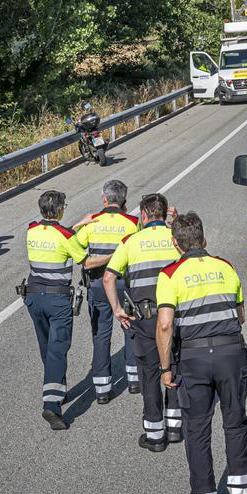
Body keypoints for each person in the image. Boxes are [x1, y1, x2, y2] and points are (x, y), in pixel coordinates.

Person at [155, 212, 247, 494]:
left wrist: (166, 367)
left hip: (193, 358)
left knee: (197, 432)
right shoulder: (226, 266)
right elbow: (240, 316)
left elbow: (166, 324)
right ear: (204, 239)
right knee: (235, 421)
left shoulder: (169, 274)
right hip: (230, 353)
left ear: (175, 244)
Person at [103, 193, 182, 451]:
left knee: (149, 375)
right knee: (172, 367)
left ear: (144, 215)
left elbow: (108, 277)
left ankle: (155, 435)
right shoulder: (175, 238)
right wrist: (178, 223)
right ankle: (175, 428)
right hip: (173, 316)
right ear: (164, 213)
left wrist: (117, 310)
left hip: (144, 318)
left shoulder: (131, 242)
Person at [23, 190, 88, 430]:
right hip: (57, 300)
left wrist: (77, 226)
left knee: (47, 348)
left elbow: (57, 237)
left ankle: (57, 388)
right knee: (58, 349)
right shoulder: (66, 235)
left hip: (33, 296)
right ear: (60, 210)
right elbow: (84, 259)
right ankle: (51, 404)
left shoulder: (31, 230)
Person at [74, 180, 140, 403]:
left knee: (101, 335)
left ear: (104, 199)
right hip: (125, 284)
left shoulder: (92, 223)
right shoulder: (132, 223)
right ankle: (134, 381)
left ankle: (102, 389)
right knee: (130, 328)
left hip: (98, 285)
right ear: (123, 201)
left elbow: (75, 249)